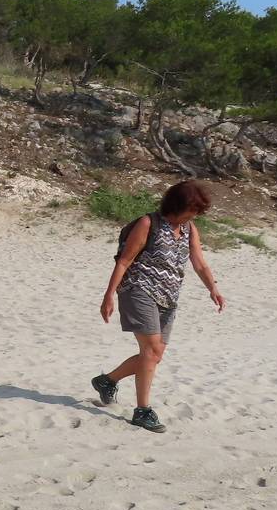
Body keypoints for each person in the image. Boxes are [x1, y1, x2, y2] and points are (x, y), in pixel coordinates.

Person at [94, 180, 226, 432]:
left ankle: (107, 381)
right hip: (138, 291)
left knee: (154, 356)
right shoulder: (148, 224)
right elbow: (124, 261)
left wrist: (213, 288)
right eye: (194, 209)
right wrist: (109, 295)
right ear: (178, 205)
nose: (196, 214)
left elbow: (199, 262)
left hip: (168, 297)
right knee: (151, 351)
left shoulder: (189, 229)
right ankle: (142, 410)